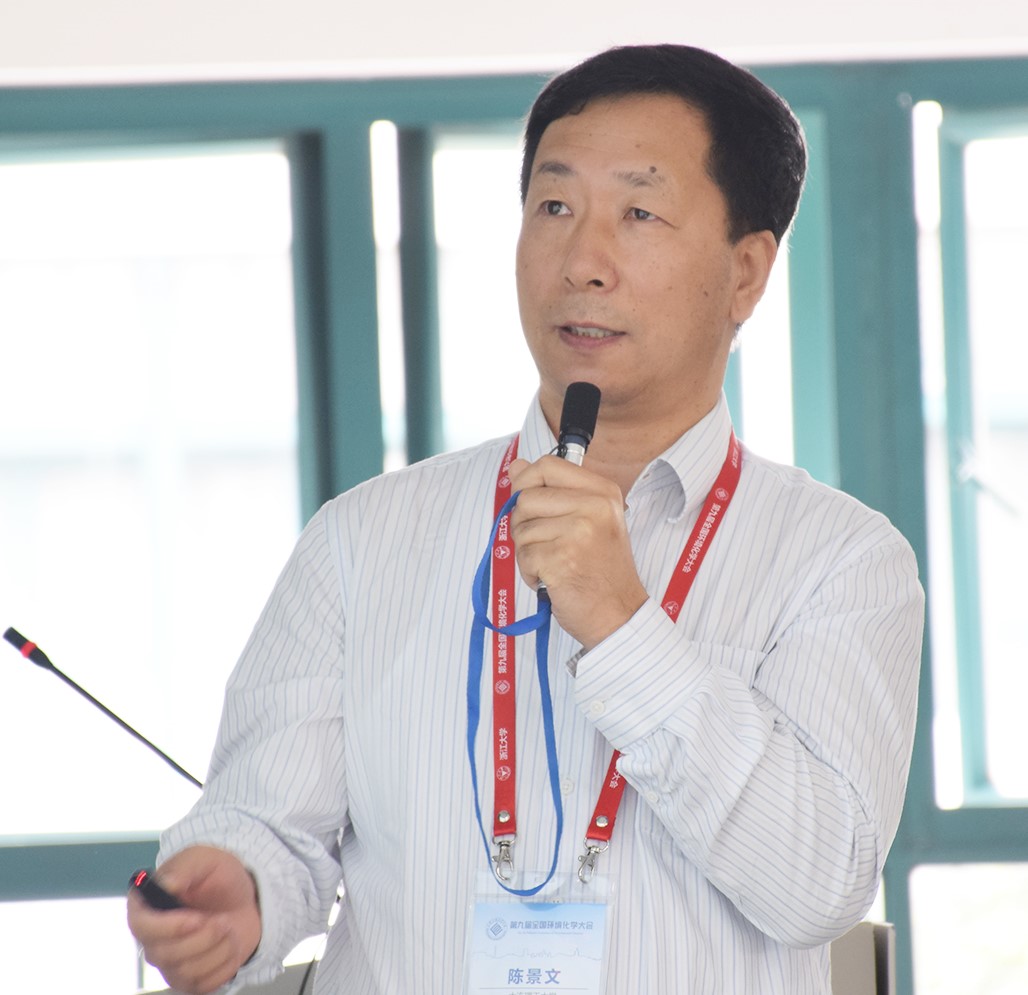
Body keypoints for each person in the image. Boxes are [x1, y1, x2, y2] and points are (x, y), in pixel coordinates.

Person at [128, 44, 924, 994]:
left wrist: (622, 623)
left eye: (639, 213)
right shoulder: (363, 539)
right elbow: (271, 828)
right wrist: (242, 888)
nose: (582, 262)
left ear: (747, 272)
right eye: (553, 207)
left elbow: (818, 884)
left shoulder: (842, 560)